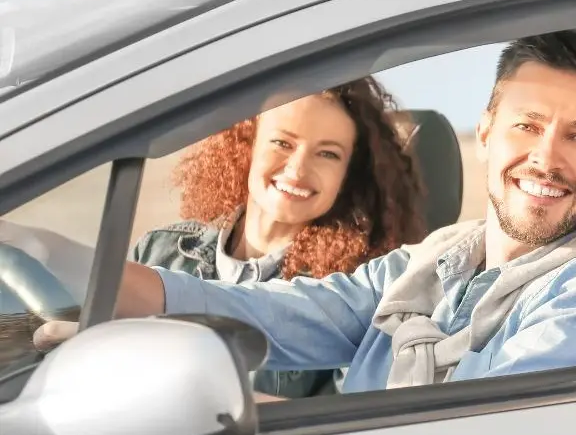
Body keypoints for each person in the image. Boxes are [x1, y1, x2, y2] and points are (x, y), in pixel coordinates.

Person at [35, 30, 576, 393]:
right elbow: (276, 312)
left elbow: (470, 434)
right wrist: (55, 265)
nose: (545, 158)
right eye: (527, 125)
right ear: (487, 131)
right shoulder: (436, 258)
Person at [127, 77, 428, 399]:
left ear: (349, 176)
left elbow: (339, 426)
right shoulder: (157, 251)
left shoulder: (356, 296)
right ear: (246, 145)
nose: (298, 170)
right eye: (282, 143)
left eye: (327, 154)